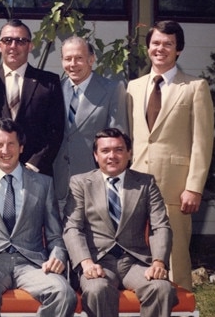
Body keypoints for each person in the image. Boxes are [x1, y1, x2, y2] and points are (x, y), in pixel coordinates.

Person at [0, 118, 76, 317]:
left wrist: (57, 257)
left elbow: (55, 236)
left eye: (11, 144)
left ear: (21, 147)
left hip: (32, 264)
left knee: (64, 294)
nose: (5, 150)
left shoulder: (43, 184)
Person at [127, 20, 214, 290]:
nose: (160, 49)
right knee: (138, 257)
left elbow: (202, 142)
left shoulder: (194, 87)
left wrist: (194, 188)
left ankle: (182, 308)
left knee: (175, 259)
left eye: (168, 44)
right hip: (136, 186)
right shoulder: (133, 87)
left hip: (176, 190)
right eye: (155, 43)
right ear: (147, 47)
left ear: (178, 50)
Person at [63, 128, 177, 317]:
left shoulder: (145, 183)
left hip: (135, 262)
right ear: (95, 155)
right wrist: (86, 263)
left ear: (129, 153)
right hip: (98, 263)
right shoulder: (80, 183)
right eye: (105, 151)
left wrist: (159, 262)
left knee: (160, 288)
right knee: (97, 290)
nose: (112, 156)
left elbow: (160, 225)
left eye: (119, 150)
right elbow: (72, 227)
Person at [0, 19, 65, 176]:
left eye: (21, 41)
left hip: (36, 173)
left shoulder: (49, 82)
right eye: (7, 40)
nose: (13, 46)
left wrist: (34, 165)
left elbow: (55, 130)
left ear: (30, 46)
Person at [53, 36, 127, 211]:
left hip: (96, 183)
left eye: (79, 58)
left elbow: (117, 139)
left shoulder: (112, 89)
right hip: (59, 184)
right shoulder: (54, 89)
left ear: (91, 59)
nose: (73, 64)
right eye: (67, 59)